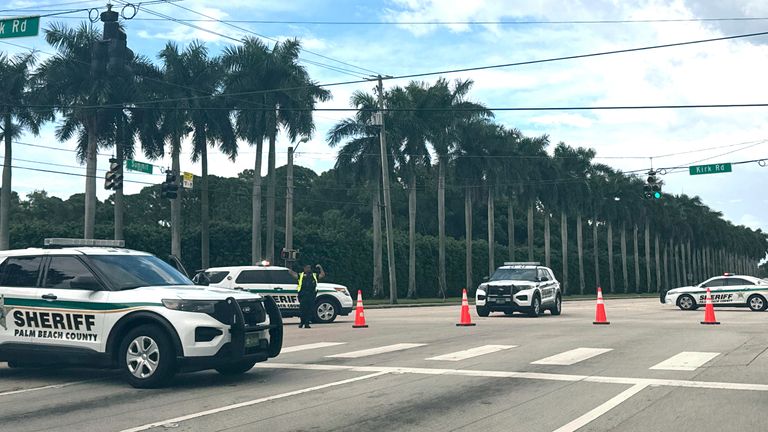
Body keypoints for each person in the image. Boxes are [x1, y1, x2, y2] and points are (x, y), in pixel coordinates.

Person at [289, 264, 325, 328]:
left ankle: (307, 323)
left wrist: (320, 268)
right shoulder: (301, 275)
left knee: (310, 310)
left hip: (311, 295)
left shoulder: (314, 275)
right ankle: (302, 322)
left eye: (309, 267)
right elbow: (292, 274)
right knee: (302, 310)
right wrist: (290, 266)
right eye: (307, 267)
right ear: (304, 268)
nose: (308, 269)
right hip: (303, 295)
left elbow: (322, 275)